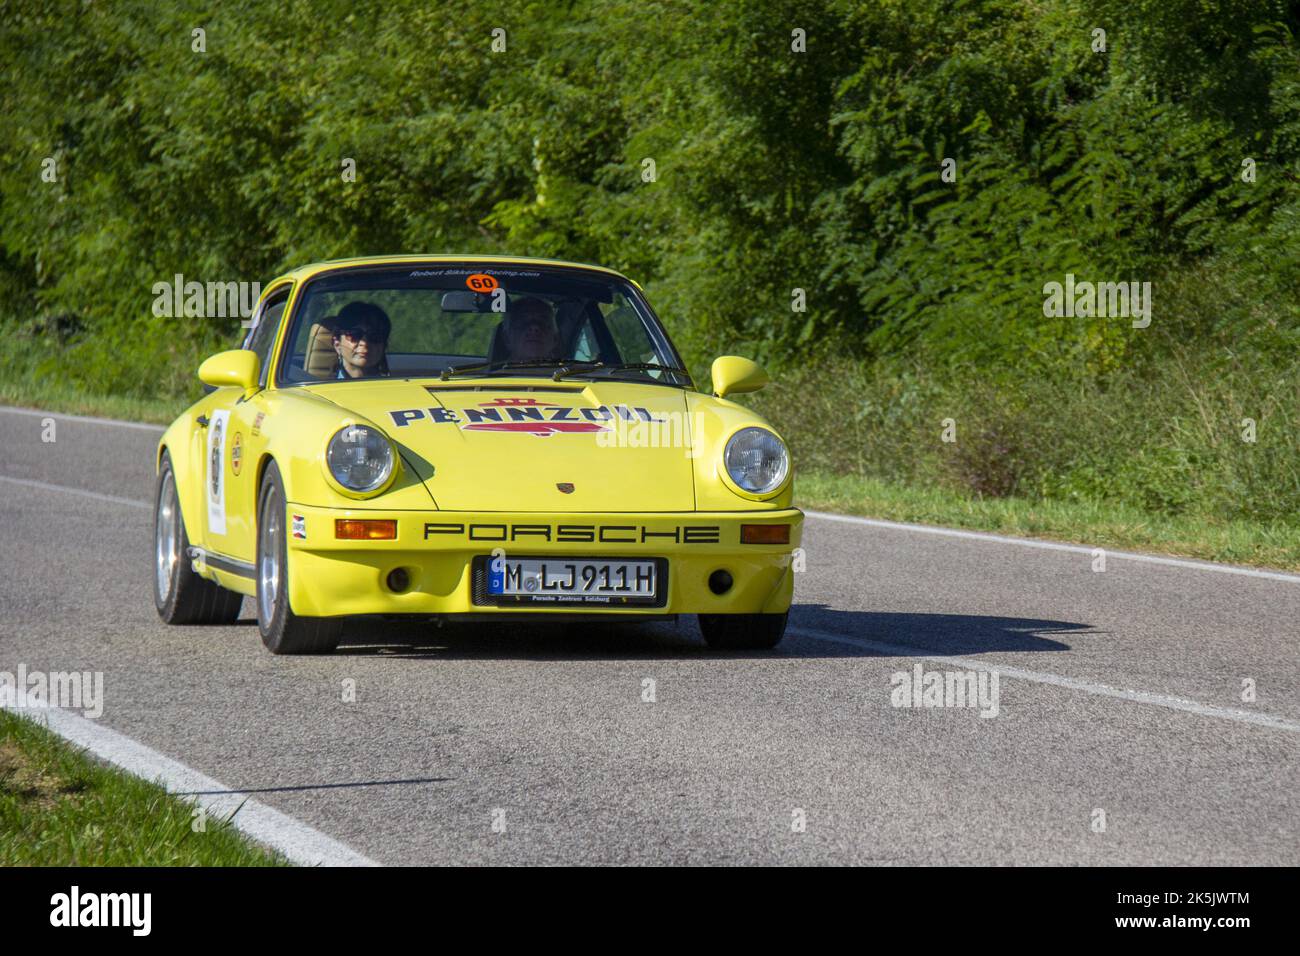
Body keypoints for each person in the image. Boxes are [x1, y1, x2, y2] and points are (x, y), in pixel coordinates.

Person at [332, 302, 391, 378]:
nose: (364, 342)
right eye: (354, 334)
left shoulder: (399, 388)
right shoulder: (319, 389)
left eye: (374, 335)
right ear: (337, 344)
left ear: (384, 346)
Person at [502, 297, 561, 362]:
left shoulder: (570, 371)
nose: (534, 326)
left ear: (555, 338)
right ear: (507, 338)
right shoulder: (492, 372)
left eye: (543, 321)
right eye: (523, 321)